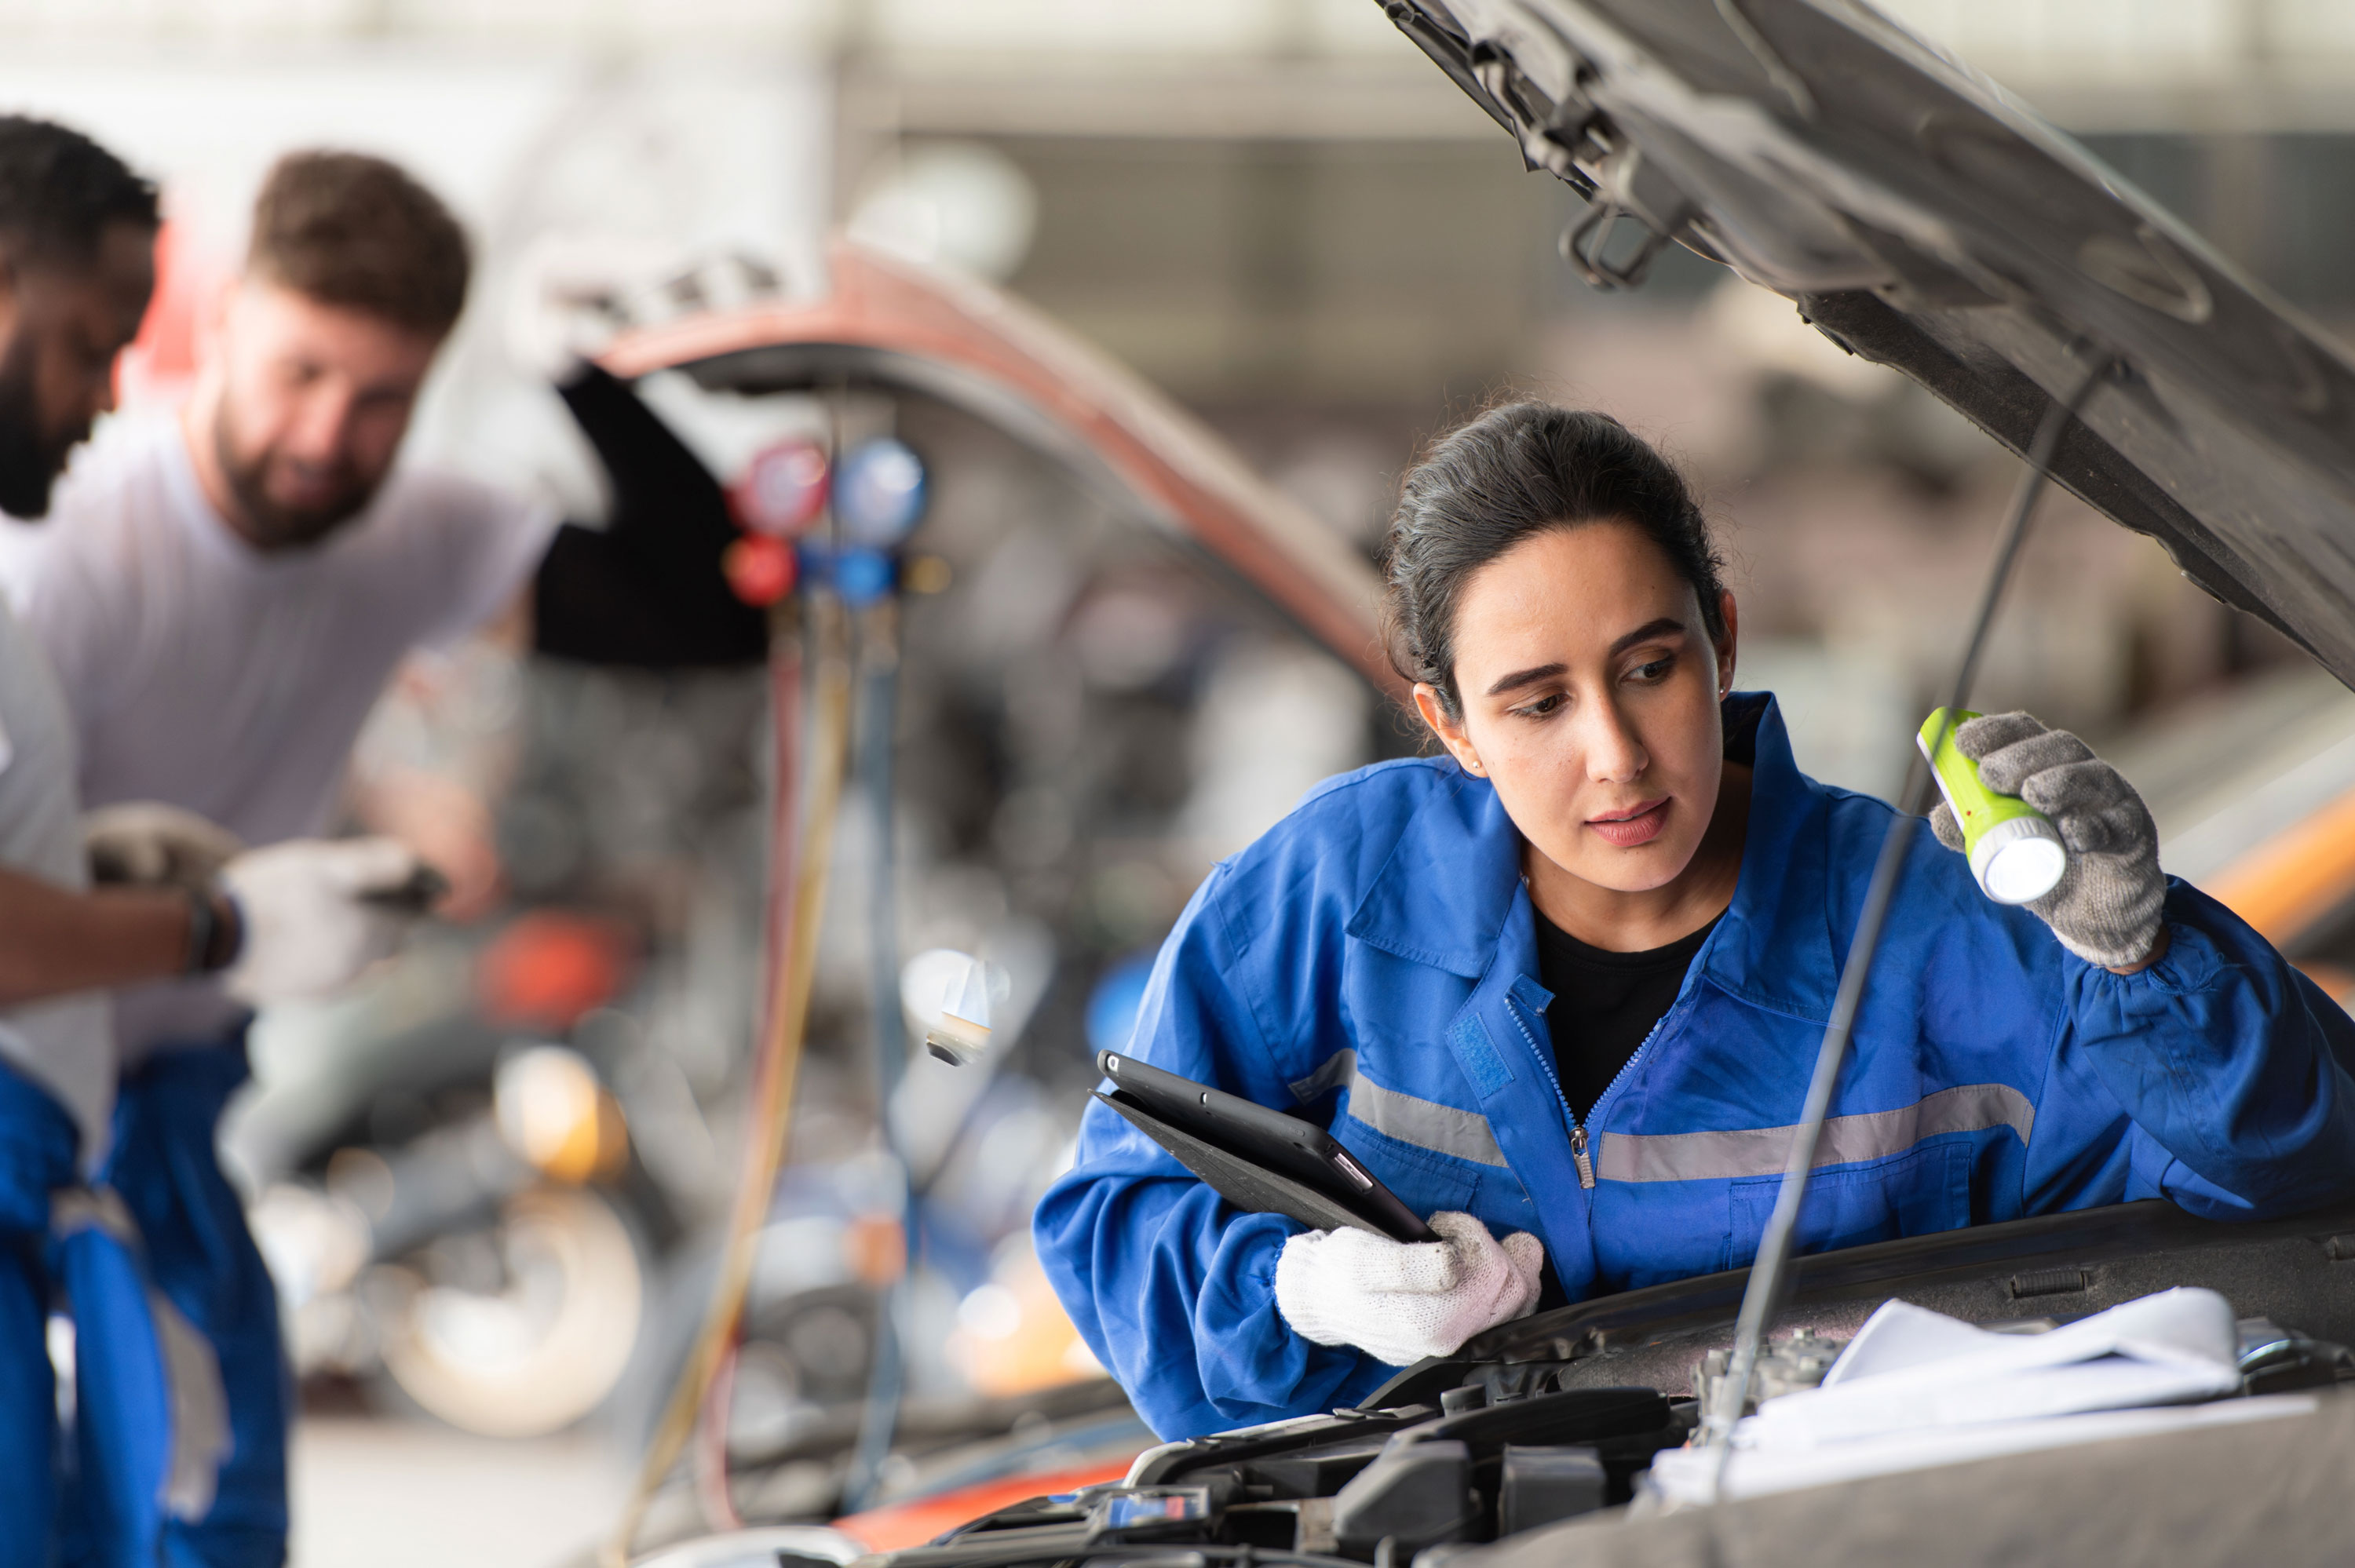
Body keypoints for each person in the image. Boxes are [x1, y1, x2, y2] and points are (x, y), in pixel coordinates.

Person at [1034, 402, 2355, 1440]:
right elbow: (1112, 1219)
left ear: (1721, 636)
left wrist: (2144, 954)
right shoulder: (1329, 897)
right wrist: (1297, 1290)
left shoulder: (1928, 933)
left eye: (1649, 668)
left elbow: (2299, 1195)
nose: (1616, 755)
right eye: (1538, 703)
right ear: (1450, 724)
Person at [0, 148, 763, 1566]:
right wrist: (219, 923)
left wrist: (583, 369)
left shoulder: (402, 533)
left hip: (169, 1111)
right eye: (299, 372)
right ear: (219, 324)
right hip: (31, 1101)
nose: (327, 435)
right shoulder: (68, 558)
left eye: (381, 400)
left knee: (212, 1523)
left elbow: (716, 608)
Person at [0, 119, 444, 1568]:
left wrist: (88, 862)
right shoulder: (79, 564)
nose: (104, 396)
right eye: (85, 342)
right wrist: (223, 931)